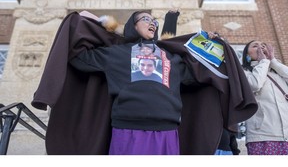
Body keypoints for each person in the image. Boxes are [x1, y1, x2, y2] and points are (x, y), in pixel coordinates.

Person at [32, 9, 258, 155]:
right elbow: (78, 57)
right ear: (133, 25)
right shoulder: (116, 54)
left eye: (154, 21)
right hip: (127, 130)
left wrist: (214, 46)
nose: (152, 23)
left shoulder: (172, 57)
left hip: (168, 132)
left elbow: (202, 75)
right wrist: (82, 21)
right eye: (145, 19)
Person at [242, 40, 288, 155]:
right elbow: (255, 84)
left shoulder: (277, 72)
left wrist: (272, 61)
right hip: (263, 136)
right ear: (247, 55)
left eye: (263, 45)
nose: (260, 48)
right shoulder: (244, 72)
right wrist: (263, 62)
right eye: (255, 46)